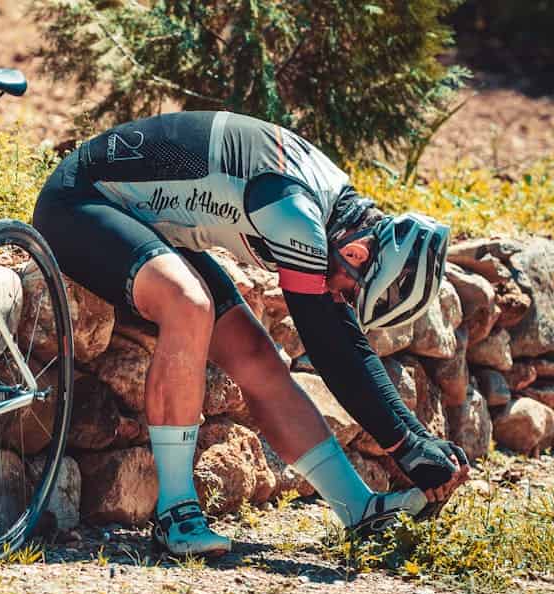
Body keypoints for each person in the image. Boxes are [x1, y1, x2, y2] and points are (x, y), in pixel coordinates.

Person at [32, 111, 471, 556]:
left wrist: (416, 441)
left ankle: (359, 510)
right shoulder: (295, 213)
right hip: (81, 203)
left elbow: (341, 336)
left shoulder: (336, 209)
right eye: (347, 291)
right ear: (356, 252)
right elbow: (329, 343)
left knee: (257, 357)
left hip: (147, 222)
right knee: (188, 304)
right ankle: (175, 514)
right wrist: (411, 445)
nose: (338, 298)